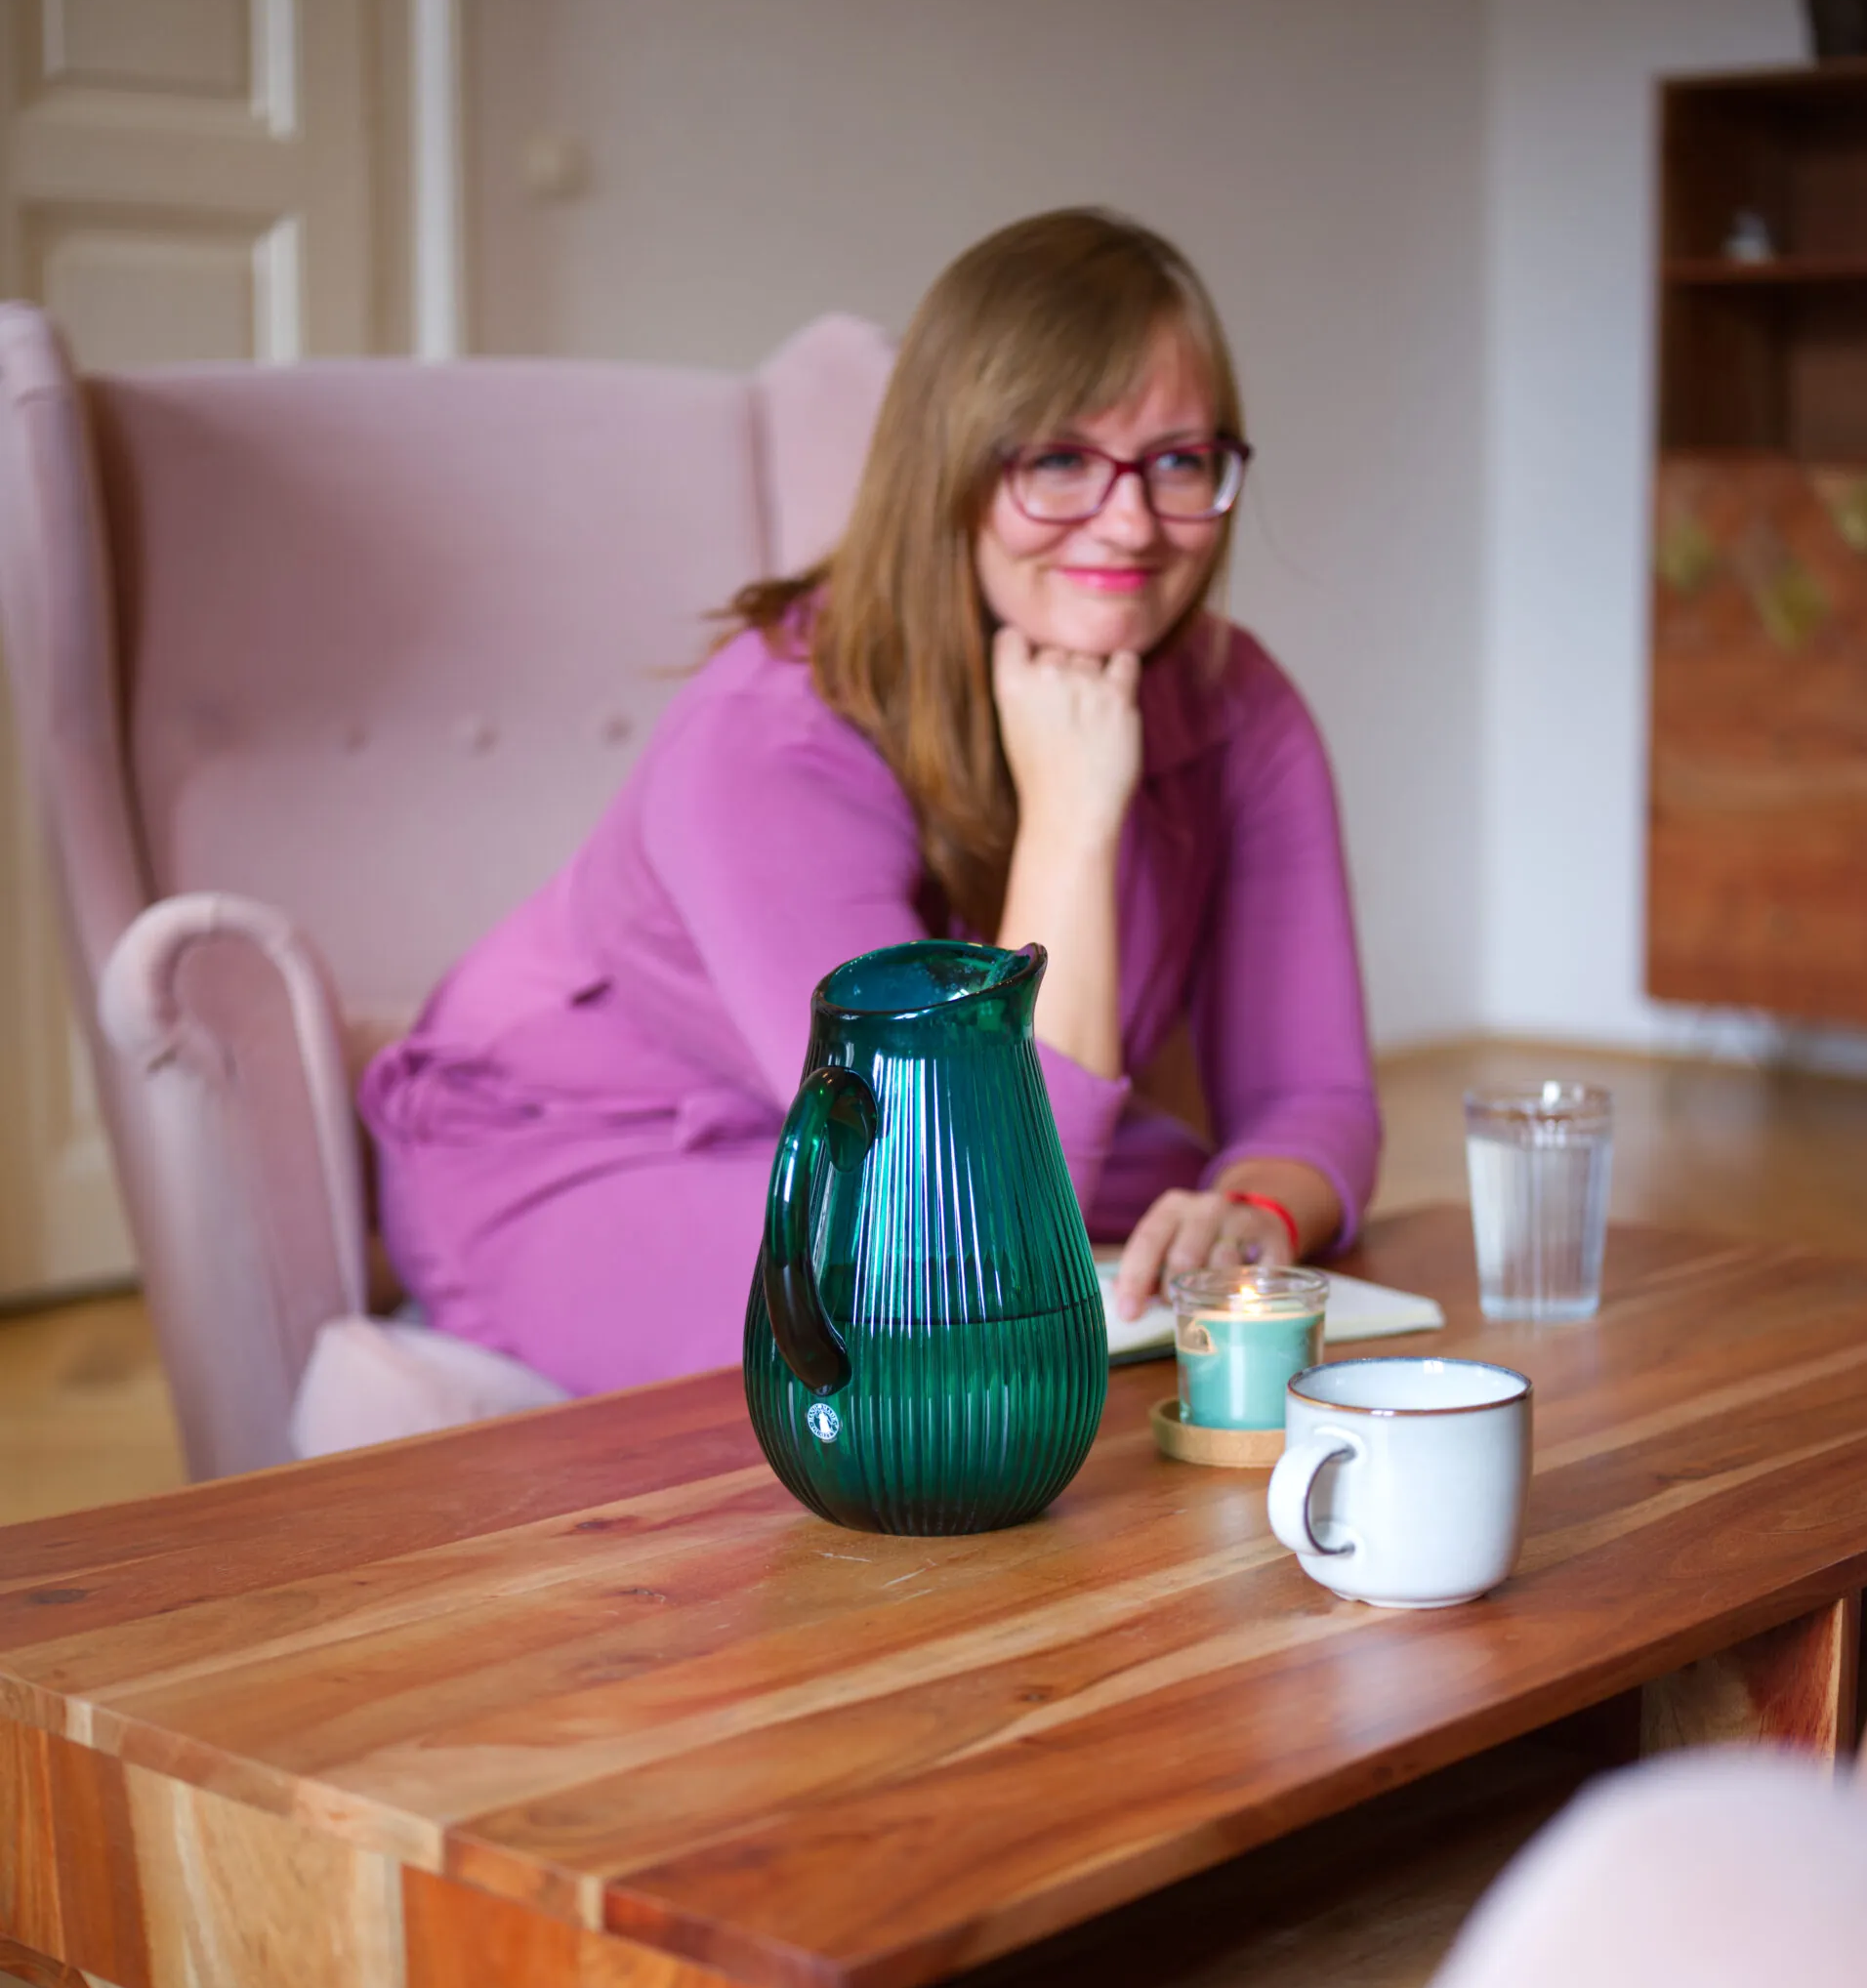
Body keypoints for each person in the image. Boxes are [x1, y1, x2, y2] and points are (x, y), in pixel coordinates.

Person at [360, 209, 1381, 1396]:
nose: (1130, 522)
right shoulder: (766, 736)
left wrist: (1254, 1209)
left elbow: (1312, 1096)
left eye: (1179, 461)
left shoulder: (1237, 706)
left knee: (1164, 1280)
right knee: (933, 1347)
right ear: (948, 469)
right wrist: (1071, 819)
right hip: (599, 1143)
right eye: (1057, 460)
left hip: (929, 1151)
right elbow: (956, 1223)